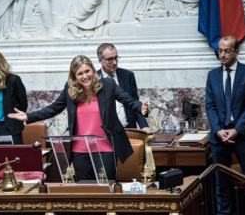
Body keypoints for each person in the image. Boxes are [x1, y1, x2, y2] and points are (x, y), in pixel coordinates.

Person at [8, 55, 148, 181]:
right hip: (80, 151)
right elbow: (53, 108)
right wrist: (28, 116)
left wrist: (140, 108)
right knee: (85, 190)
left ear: (93, 70)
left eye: (87, 71)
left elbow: (127, 99)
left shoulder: (108, 84)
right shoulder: (70, 90)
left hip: (105, 149)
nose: (85, 76)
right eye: (80, 73)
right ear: (74, 76)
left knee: (107, 189)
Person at [205, 36, 245, 215]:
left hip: (243, 135)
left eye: (227, 51)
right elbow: (210, 106)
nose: (222, 55)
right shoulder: (212, 75)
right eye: (220, 51)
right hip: (219, 136)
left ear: (236, 52)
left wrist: (236, 130)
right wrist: (218, 131)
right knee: (221, 182)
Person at [96, 43, 152, 132]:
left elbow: (134, 102)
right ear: (100, 60)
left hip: (128, 130)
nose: (114, 62)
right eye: (110, 59)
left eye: (116, 58)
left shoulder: (127, 76)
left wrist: (144, 126)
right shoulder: (94, 79)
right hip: (105, 132)